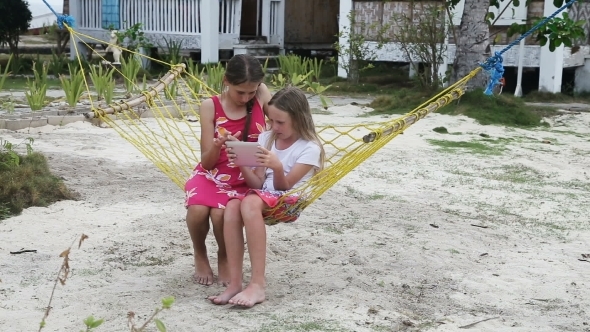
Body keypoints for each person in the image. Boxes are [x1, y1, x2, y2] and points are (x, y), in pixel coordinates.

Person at [208, 86, 325, 307]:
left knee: (250, 202)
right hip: (264, 195)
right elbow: (258, 183)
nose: (274, 127)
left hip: (290, 200)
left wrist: (278, 167)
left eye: (280, 122)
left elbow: (285, 185)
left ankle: (257, 284)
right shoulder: (267, 138)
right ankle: (234, 283)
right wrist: (241, 162)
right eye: (271, 121)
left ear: (299, 119)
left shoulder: (309, 148)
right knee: (232, 205)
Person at [184, 54, 272, 286]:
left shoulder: (261, 96)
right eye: (239, 92)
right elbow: (206, 162)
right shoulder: (210, 106)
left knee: (221, 213)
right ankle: (200, 253)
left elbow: (278, 130)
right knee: (198, 210)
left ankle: (225, 257)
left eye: (250, 92)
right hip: (213, 174)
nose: (245, 98)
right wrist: (216, 146)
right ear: (226, 81)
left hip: (248, 176)